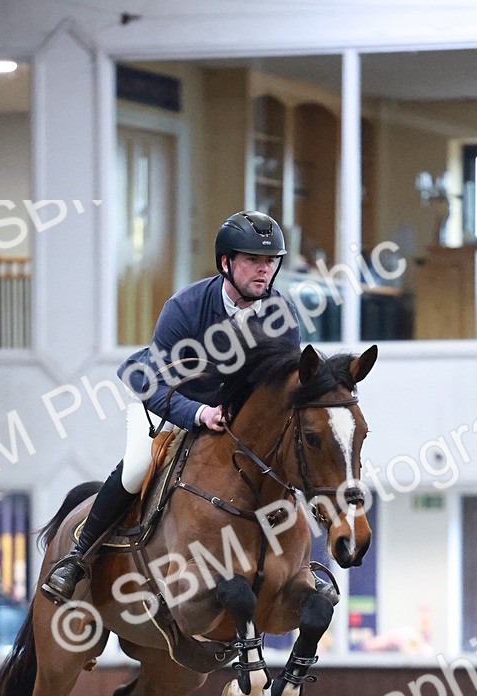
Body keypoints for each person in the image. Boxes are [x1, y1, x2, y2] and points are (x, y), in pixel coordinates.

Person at [42, 210, 301, 604]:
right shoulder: (185, 307)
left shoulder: (281, 317)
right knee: (137, 469)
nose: (263, 270)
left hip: (231, 420)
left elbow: (283, 390)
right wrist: (201, 414)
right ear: (225, 263)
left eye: (270, 261)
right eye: (252, 260)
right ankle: (77, 557)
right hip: (168, 404)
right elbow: (158, 384)